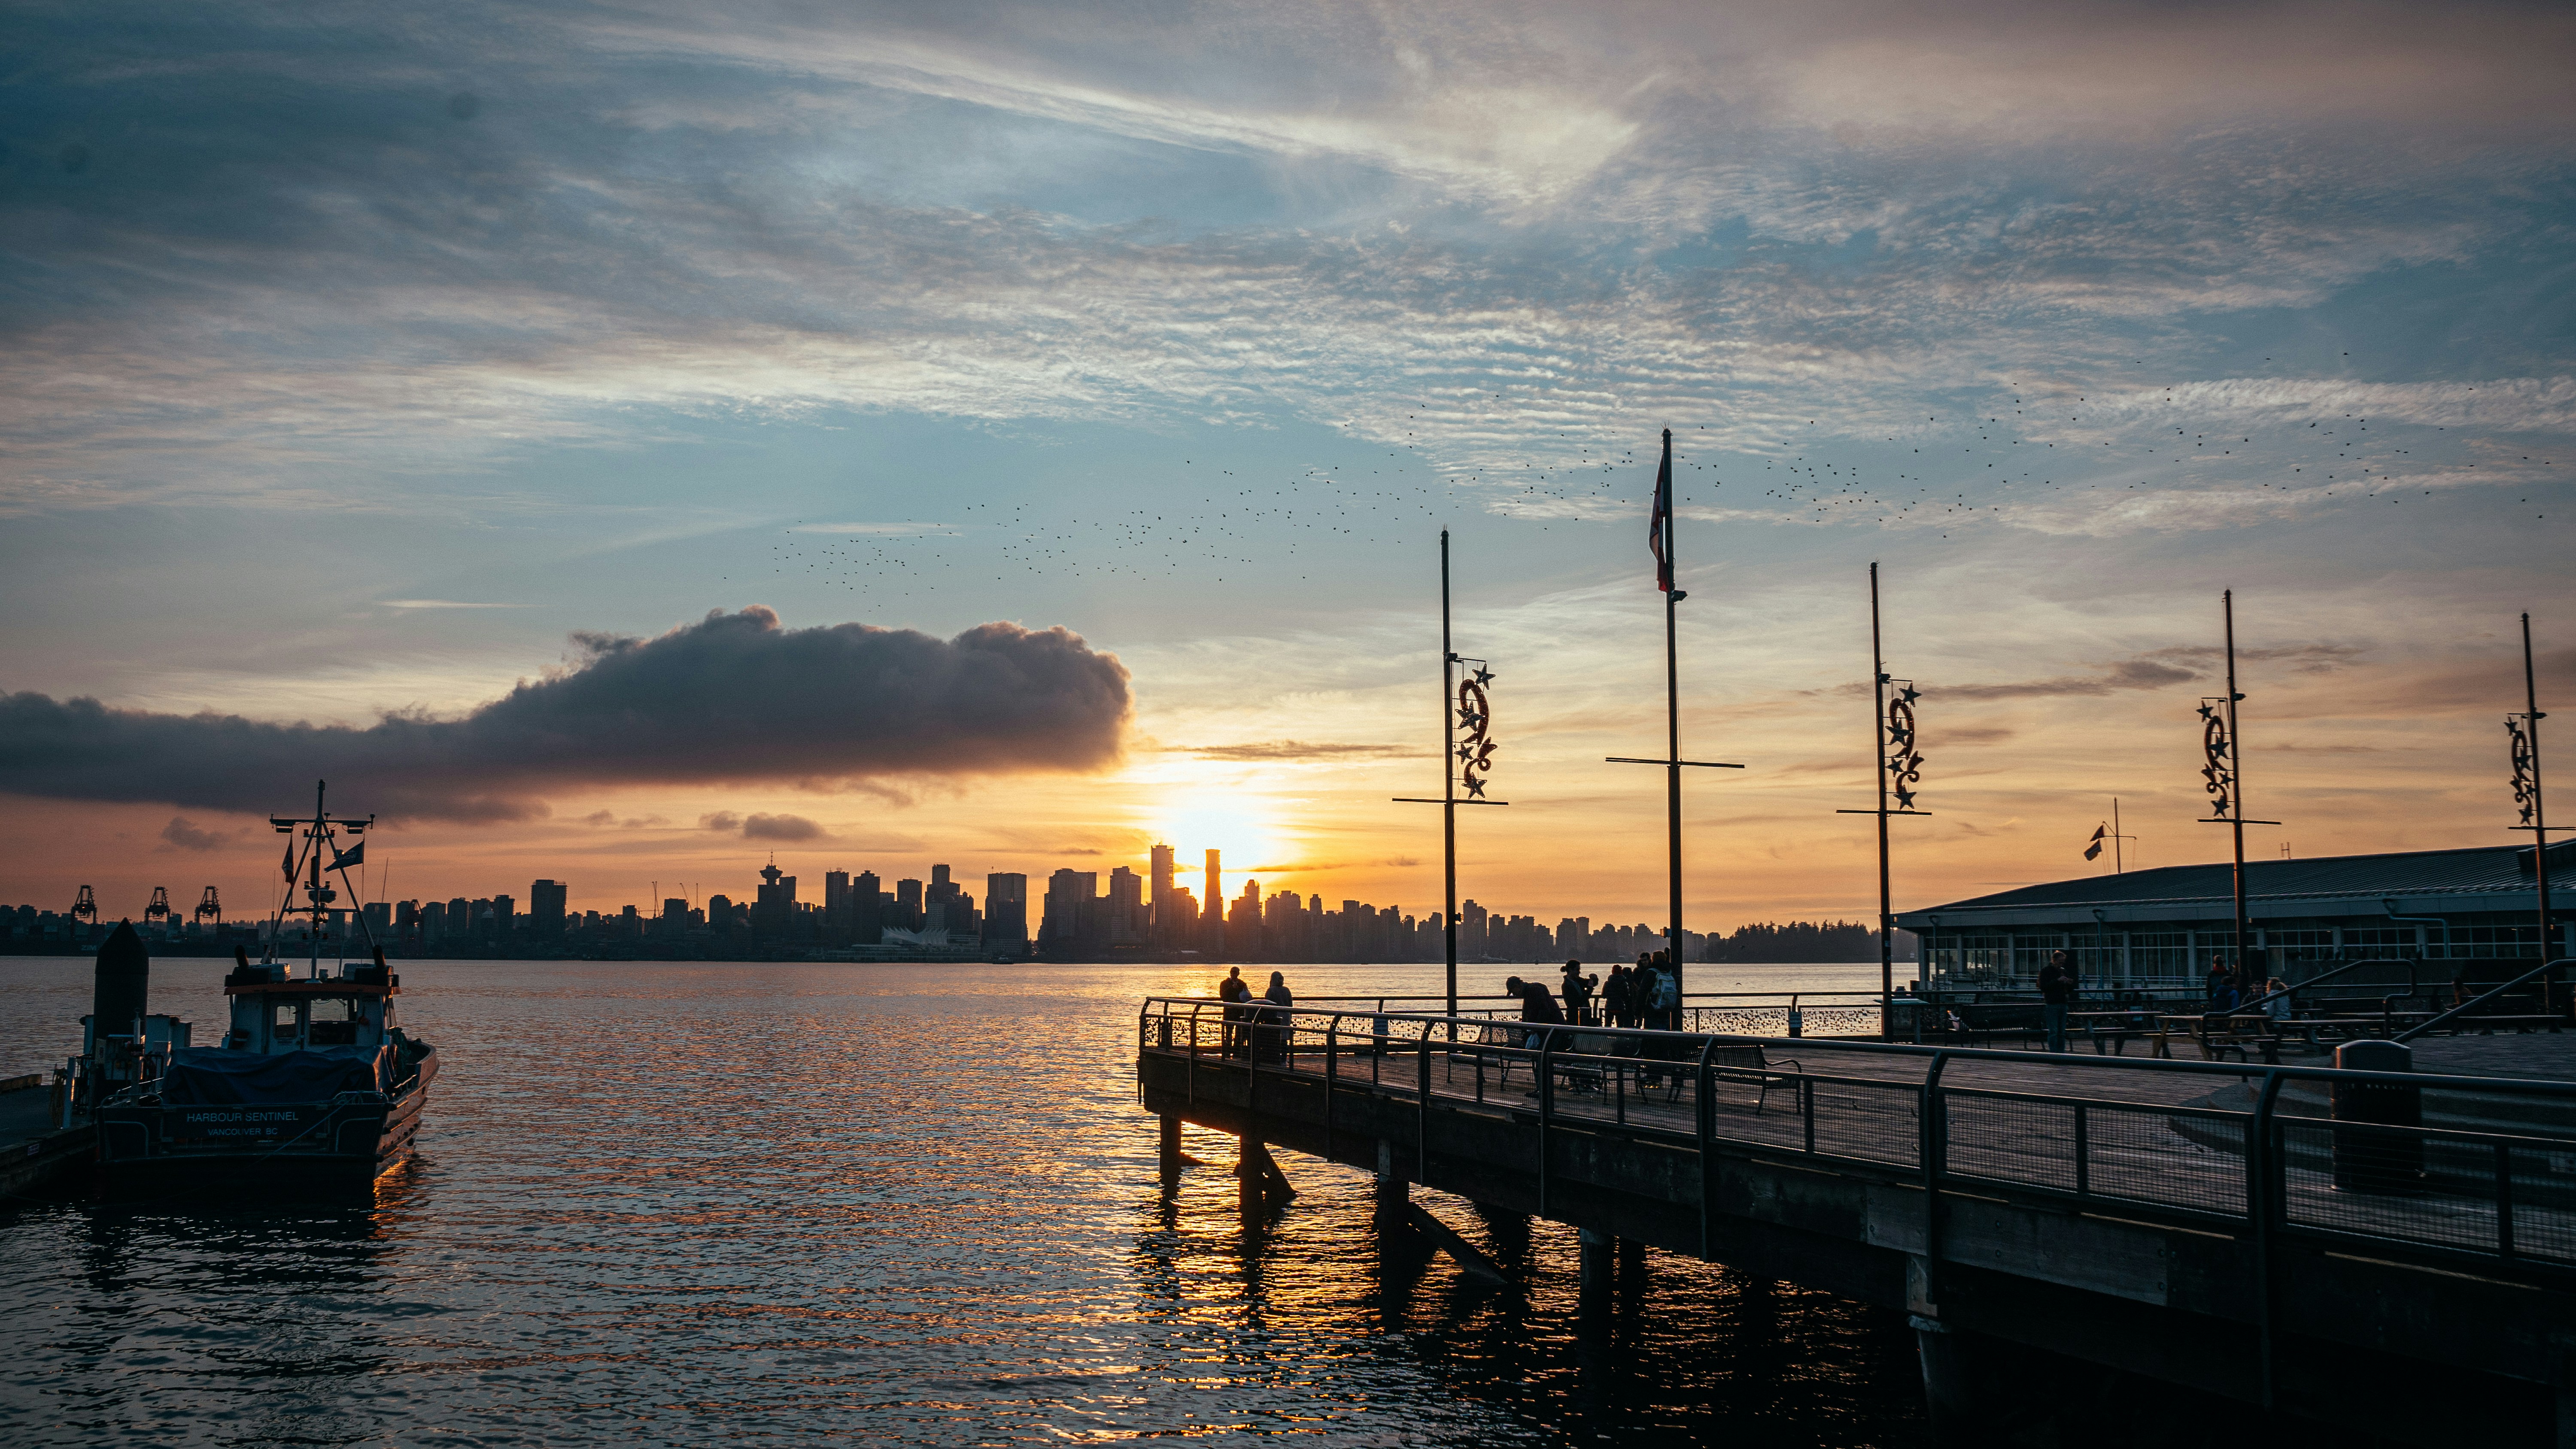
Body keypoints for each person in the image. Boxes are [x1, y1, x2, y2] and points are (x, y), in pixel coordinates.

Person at [2037, 949, 2075, 1053]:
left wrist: (2070, 984)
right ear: (2054, 960)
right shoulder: (2046, 971)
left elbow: (2069, 990)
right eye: (2060, 962)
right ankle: (2054, 1052)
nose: (2062, 964)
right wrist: (2058, 981)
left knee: (2061, 1031)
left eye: (2063, 962)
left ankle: (2060, 1052)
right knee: (2054, 1031)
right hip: (2052, 1003)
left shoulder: (2063, 971)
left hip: (2062, 1002)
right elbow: (2043, 987)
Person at [1257, 970, 1294, 1062]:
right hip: (1287, 1015)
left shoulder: (1271, 990)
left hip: (1275, 1016)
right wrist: (1290, 1016)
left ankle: (1275, 1057)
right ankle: (1284, 1058)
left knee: (1275, 1037)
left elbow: (1267, 1004)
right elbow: (1291, 1004)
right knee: (1284, 1038)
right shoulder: (1287, 990)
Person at [1217, 966, 1249, 1058]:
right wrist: (1232, 988)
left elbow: (1246, 997)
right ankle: (1228, 1053)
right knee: (1229, 1033)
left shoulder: (1243, 984)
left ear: (1238, 973)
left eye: (1235, 972)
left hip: (1239, 1012)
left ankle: (1237, 1053)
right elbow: (1223, 997)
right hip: (1229, 1012)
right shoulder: (1224, 984)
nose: (1234, 974)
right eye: (1232, 972)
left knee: (1239, 1034)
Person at [1559, 960, 1597, 1025]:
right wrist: (1590, 990)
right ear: (1570, 970)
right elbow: (1578, 1002)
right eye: (1577, 970)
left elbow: (1593, 983)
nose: (1579, 972)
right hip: (1575, 1016)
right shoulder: (1566, 986)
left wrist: (1595, 978)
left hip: (1584, 1013)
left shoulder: (1579, 980)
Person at [1601, 964, 1634, 1030]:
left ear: (1612, 971)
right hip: (1620, 1007)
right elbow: (1627, 997)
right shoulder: (1624, 983)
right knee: (1620, 1027)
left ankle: (1607, 1036)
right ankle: (1619, 1036)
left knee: (1607, 1026)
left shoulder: (1607, 983)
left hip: (1609, 1007)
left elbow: (1603, 996)